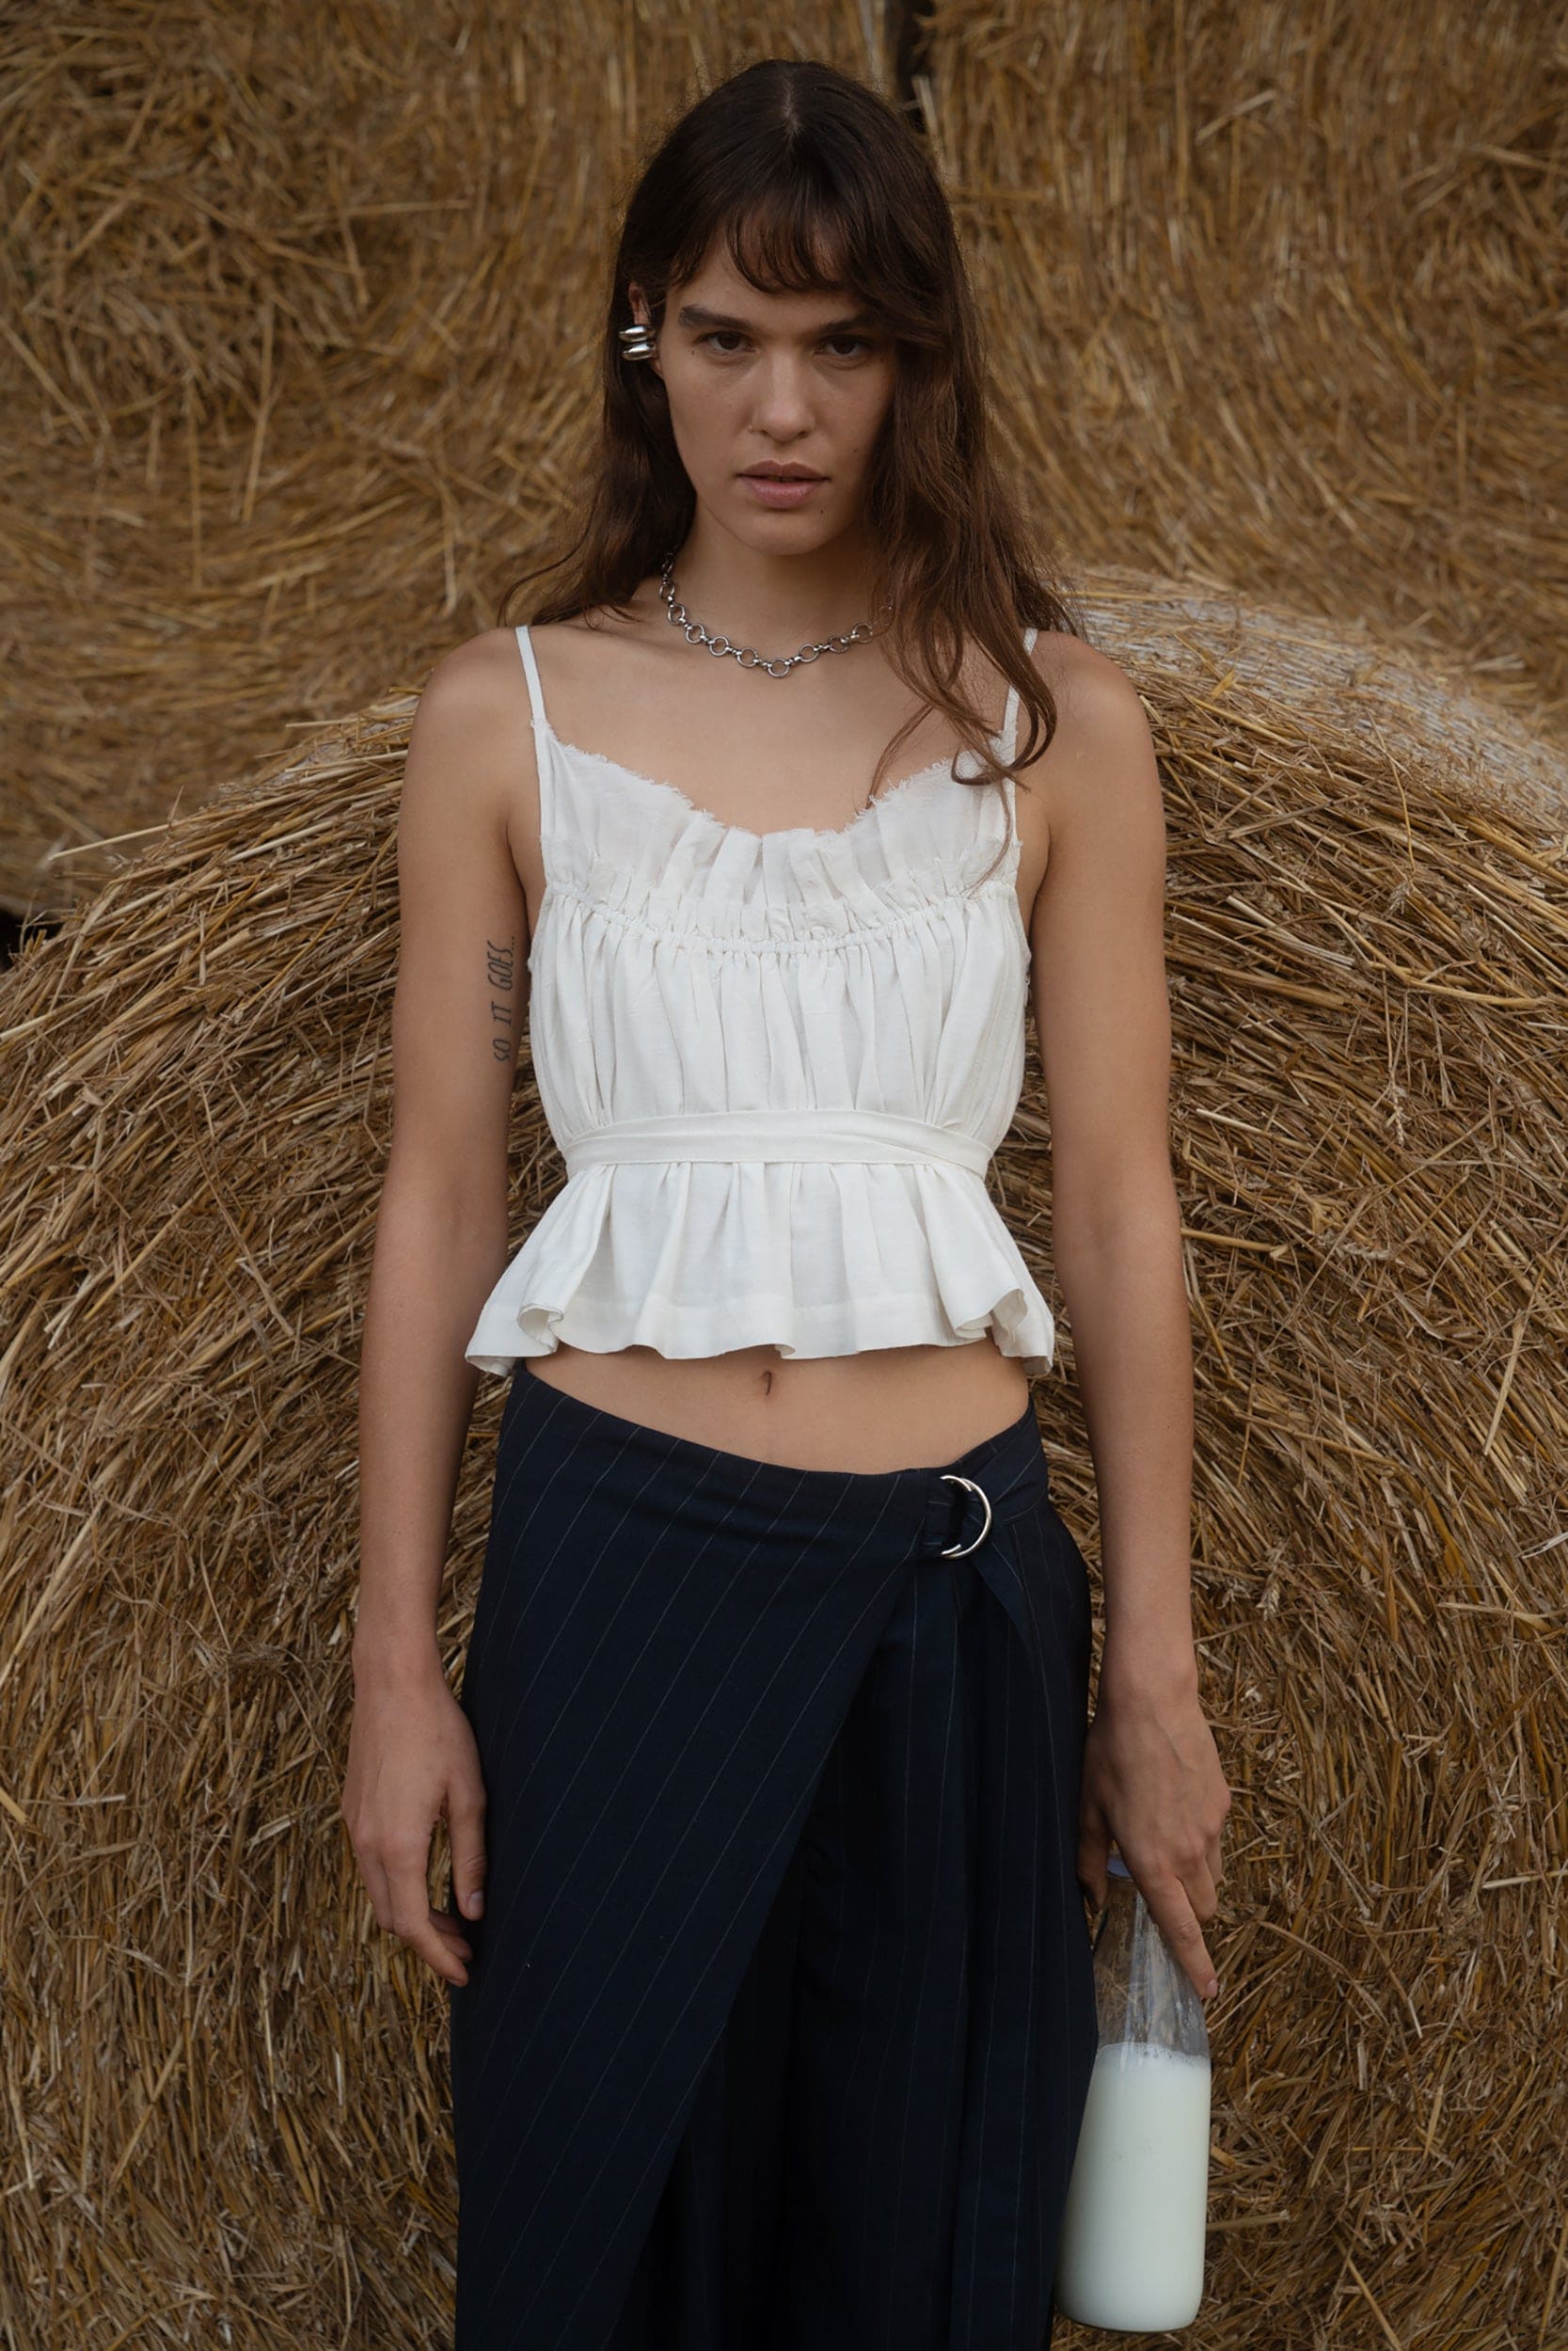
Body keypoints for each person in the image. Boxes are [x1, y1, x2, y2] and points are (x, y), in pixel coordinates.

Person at [342, 55, 1230, 2351]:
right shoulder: (504, 715)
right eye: (729, 334)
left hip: (951, 1591)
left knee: (917, 2262)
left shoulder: (1055, 724)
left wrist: (1151, 1672)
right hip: (611, 1579)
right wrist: (392, 1670)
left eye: (846, 343)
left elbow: (1118, 1211)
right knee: (592, 2256)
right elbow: (439, 1197)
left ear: (920, 363)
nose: (784, 404)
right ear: (645, 333)